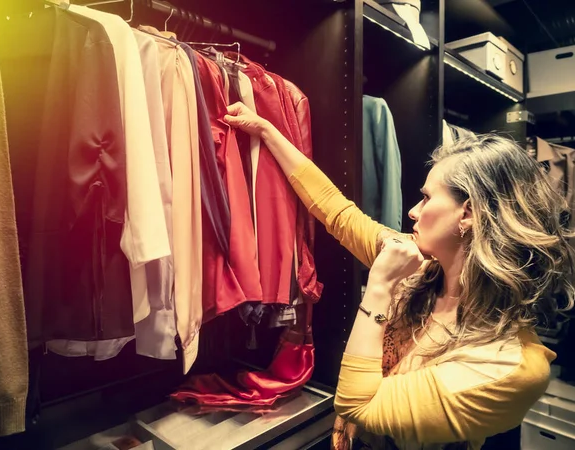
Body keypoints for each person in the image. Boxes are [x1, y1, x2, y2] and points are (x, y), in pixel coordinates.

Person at [224, 102, 574, 450]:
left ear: (467, 214)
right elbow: (336, 210)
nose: (412, 211)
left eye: (426, 198)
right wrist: (267, 131)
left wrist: (379, 286)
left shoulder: (509, 365)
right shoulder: (420, 263)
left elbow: (358, 407)